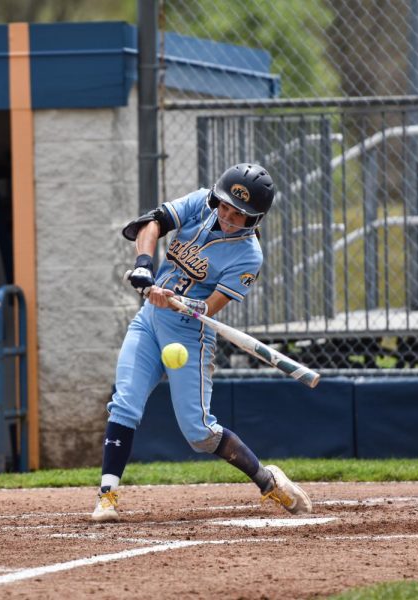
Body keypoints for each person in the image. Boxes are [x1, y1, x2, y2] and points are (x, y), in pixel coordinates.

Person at [91, 163, 313, 522]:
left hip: (189, 334)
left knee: (199, 433)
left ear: (254, 219)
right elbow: (153, 223)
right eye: (225, 207)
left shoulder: (248, 257)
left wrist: (182, 302)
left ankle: (267, 479)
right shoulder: (200, 204)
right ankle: (107, 496)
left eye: (239, 215)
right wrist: (145, 266)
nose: (227, 217)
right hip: (148, 322)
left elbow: (211, 308)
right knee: (125, 404)